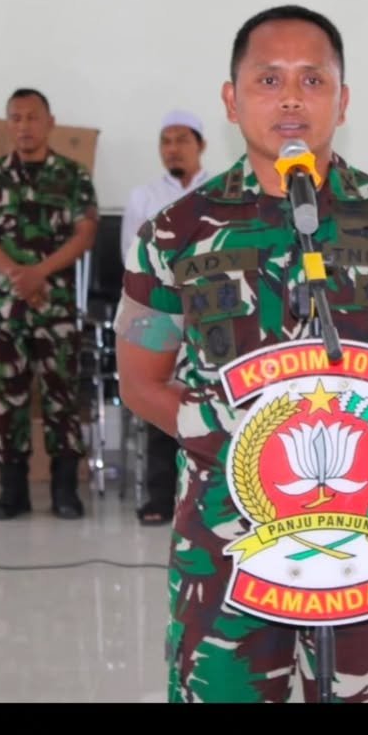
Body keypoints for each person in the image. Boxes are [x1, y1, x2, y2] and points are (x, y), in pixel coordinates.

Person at [115, 5, 368, 703]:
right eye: (268, 79)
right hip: (224, 542)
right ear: (231, 100)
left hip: (364, 545)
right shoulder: (173, 236)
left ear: (342, 102)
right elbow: (140, 381)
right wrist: (241, 451)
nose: (291, 98)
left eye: (313, 80)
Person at [0, 87, 99, 521]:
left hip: (56, 308)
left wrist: (39, 272)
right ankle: (12, 491)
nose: (24, 126)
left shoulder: (72, 176)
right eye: (16, 118)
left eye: (32, 117)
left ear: (50, 122)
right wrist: (15, 274)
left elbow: (85, 233)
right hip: (7, 310)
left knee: (62, 398)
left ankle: (65, 490)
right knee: (8, 400)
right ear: (8, 125)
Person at [120, 109, 210, 527]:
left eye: (181, 140)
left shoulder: (221, 193)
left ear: (200, 145)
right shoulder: (144, 197)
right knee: (159, 394)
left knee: (208, 401)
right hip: (160, 310)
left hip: (211, 311)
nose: (173, 149)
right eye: (166, 141)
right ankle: (160, 495)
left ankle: (206, 496)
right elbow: (132, 258)